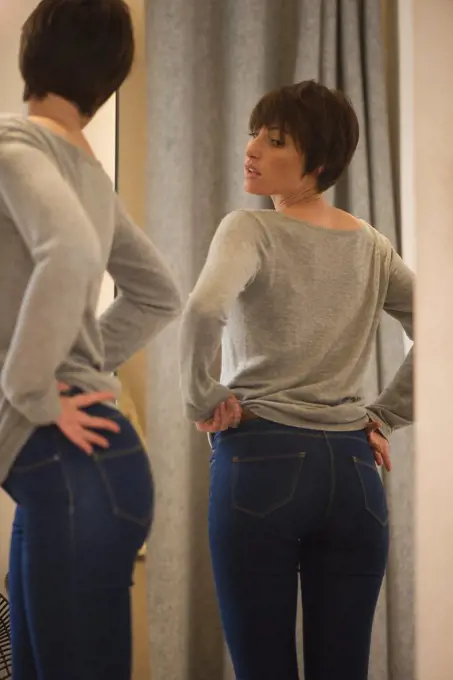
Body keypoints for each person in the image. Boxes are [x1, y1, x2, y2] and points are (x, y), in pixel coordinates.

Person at [179, 80, 413, 680]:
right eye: (256, 132)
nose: (252, 147)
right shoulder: (373, 247)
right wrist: (386, 415)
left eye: (275, 139)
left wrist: (204, 396)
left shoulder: (250, 229)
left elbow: (204, 309)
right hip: (356, 475)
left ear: (321, 163)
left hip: (260, 463)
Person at [0, 1, 181, 678]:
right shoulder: (87, 173)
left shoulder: (12, 144)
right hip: (93, 469)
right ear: (109, 77)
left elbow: (71, 251)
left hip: (69, 465)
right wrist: (75, 367)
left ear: (32, 50)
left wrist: (32, 389)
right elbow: (159, 293)